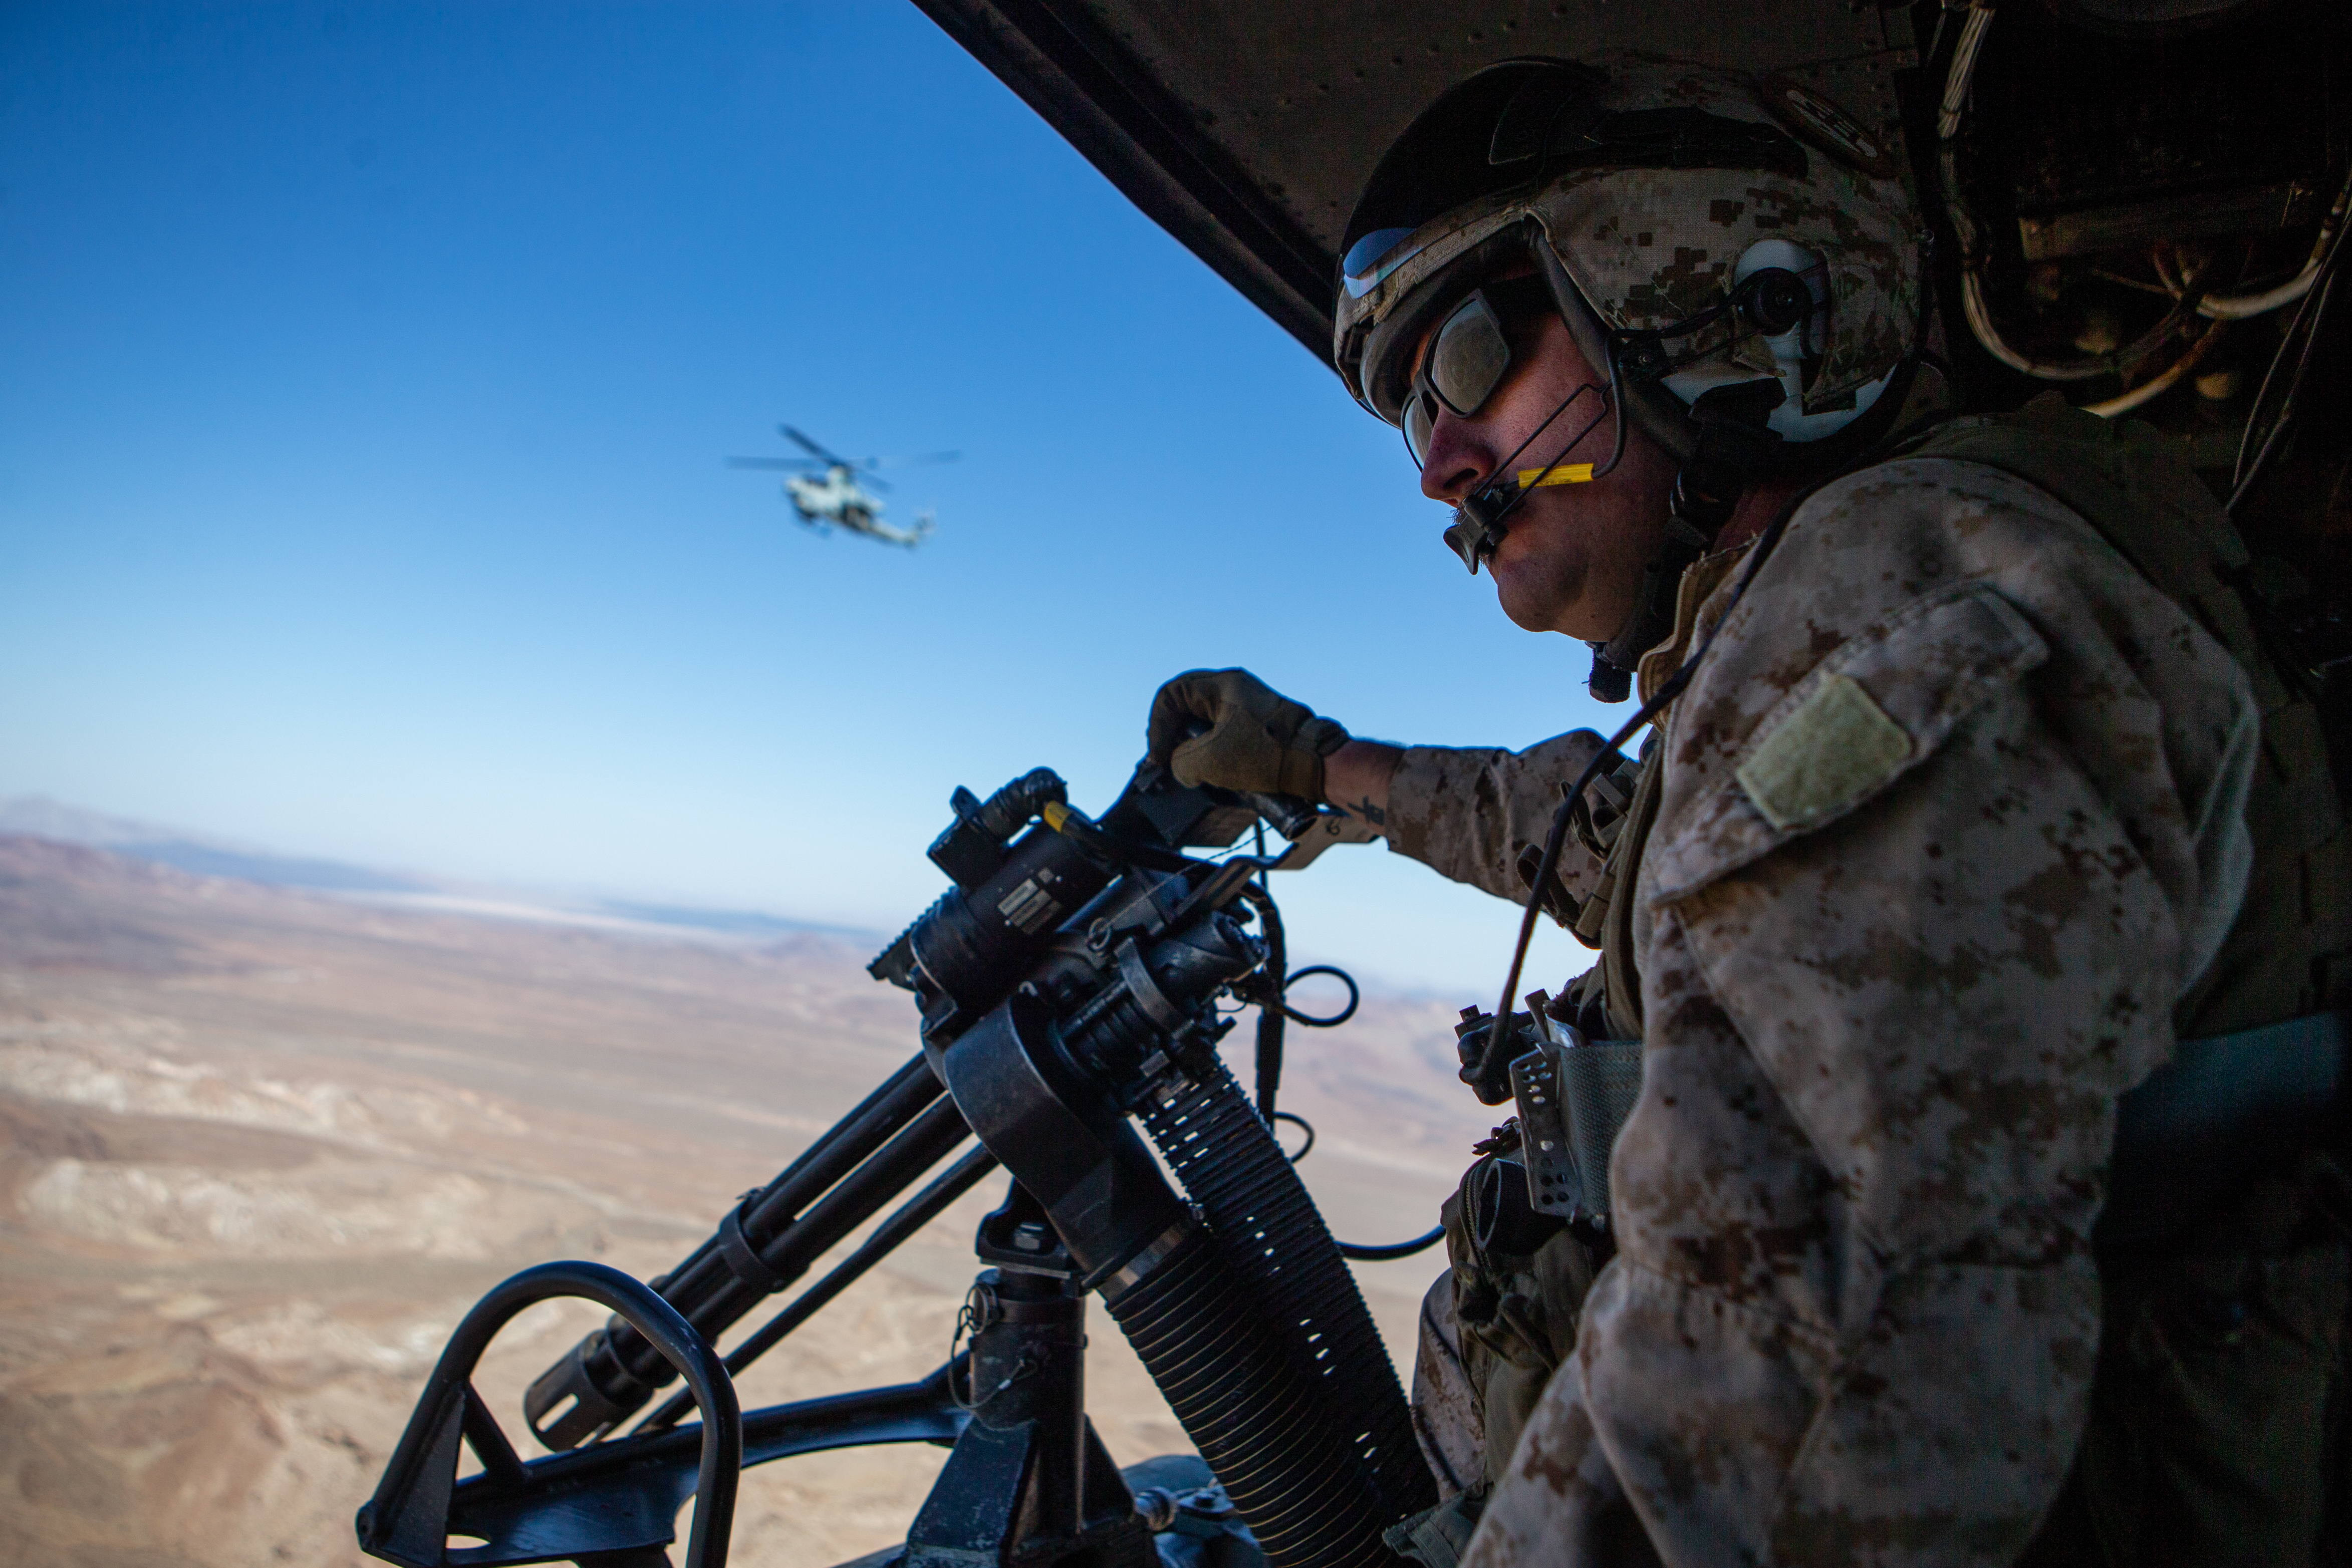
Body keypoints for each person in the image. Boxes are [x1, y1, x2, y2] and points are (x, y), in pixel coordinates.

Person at [1144, 56, 2349, 1568]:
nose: (1443, 465)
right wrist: (1324, 766)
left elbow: (1777, 1396)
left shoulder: (1889, 601)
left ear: (1704, 288)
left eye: (1464, 360)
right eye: (1411, 425)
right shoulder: (1917, 574)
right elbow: (1606, 832)